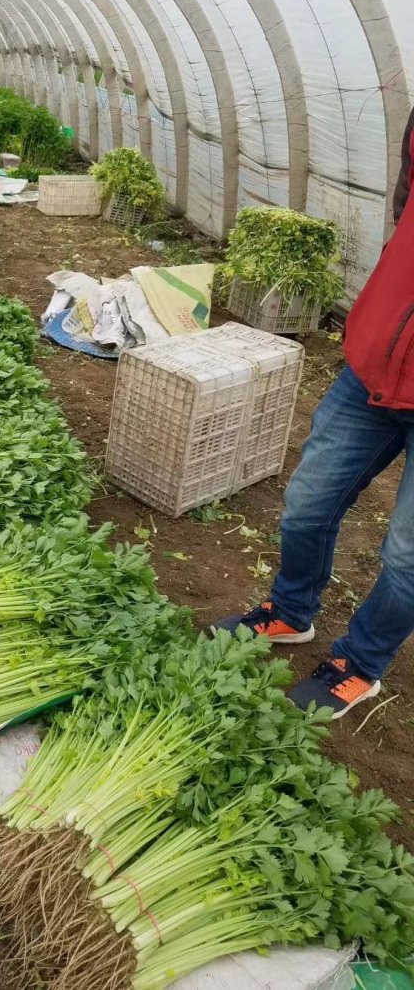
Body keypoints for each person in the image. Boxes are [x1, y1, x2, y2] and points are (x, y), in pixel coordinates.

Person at [217, 106, 414, 720]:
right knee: (307, 503)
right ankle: (290, 612)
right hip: (374, 370)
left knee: (407, 558)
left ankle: (360, 664)